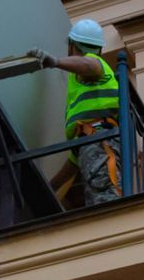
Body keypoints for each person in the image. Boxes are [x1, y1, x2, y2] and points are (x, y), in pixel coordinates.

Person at [31, 18, 122, 206]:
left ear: (72, 45)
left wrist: (55, 61)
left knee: (105, 203)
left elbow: (89, 65)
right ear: (100, 47)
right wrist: (50, 186)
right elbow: (74, 161)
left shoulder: (96, 64)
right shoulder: (84, 121)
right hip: (92, 142)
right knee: (98, 201)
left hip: (100, 140)